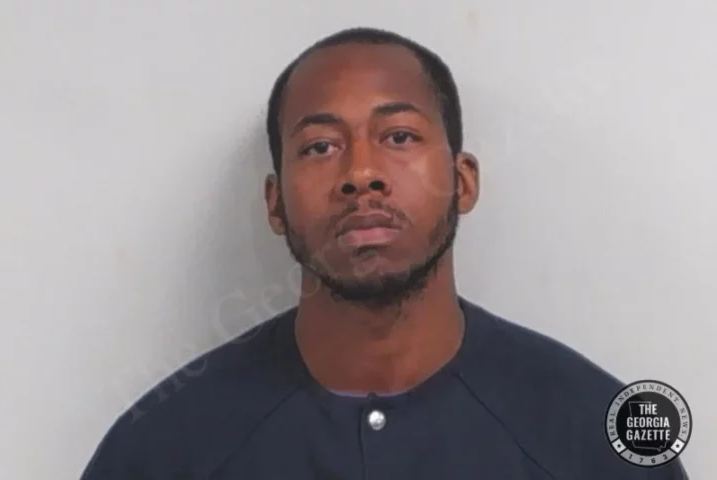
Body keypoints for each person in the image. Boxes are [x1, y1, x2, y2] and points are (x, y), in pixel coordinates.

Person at [80, 27, 690, 479]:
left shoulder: (597, 438)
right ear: (275, 203)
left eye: (399, 136)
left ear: (463, 181)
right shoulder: (160, 451)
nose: (361, 173)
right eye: (320, 146)